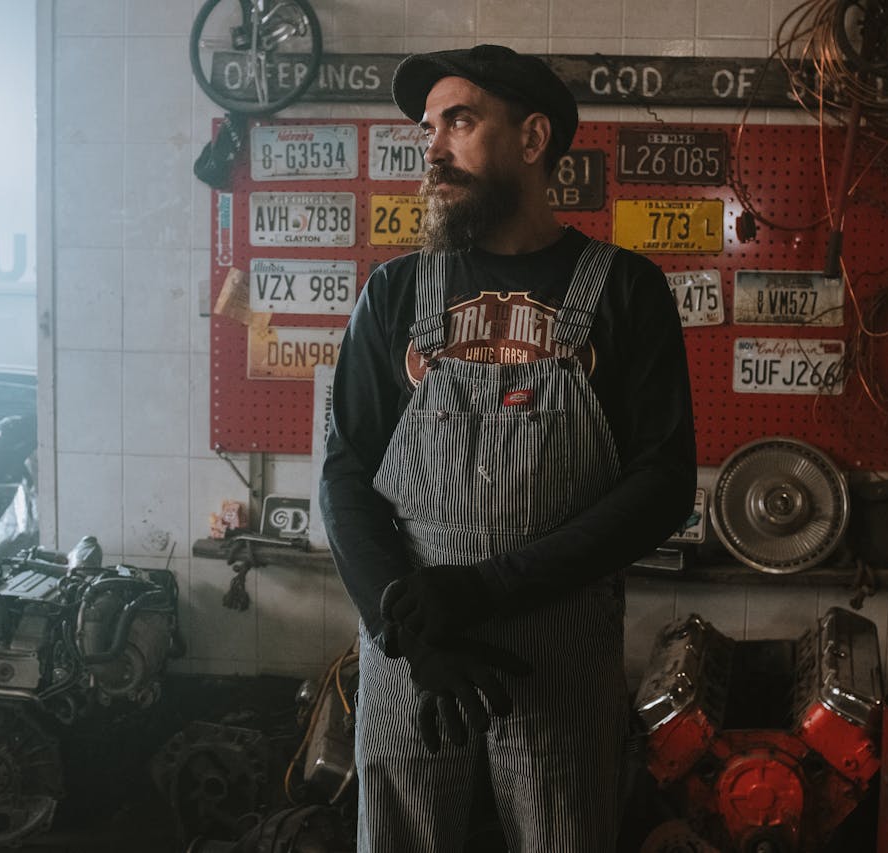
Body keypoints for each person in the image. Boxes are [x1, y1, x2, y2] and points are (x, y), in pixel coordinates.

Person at [319, 43, 697, 852]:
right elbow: (347, 477)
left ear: (532, 140)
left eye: (460, 120)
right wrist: (404, 625)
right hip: (414, 648)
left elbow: (663, 482)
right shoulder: (393, 294)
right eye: (429, 126)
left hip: (558, 651)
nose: (432, 148)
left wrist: (490, 587)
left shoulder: (626, 290)